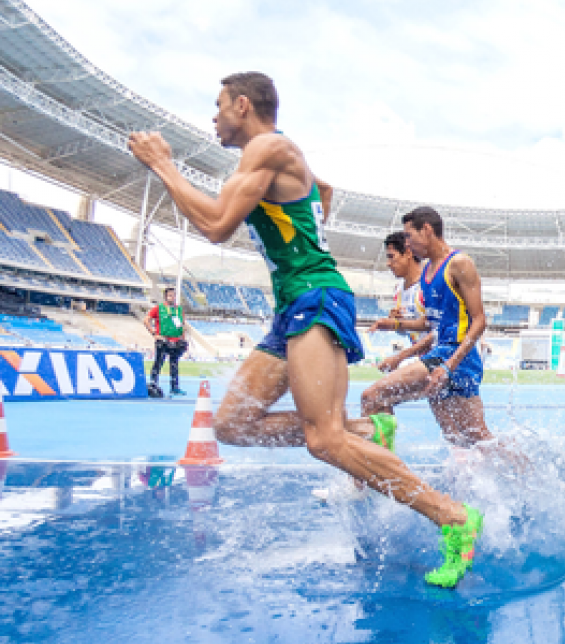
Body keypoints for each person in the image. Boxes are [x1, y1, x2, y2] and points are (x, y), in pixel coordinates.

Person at [126, 72, 481, 589]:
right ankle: (367, 430)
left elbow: (217, 224)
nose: (214, 117)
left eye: (219, 106)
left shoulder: (268, 146)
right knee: (233, 424)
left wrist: (162, 164)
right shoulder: (279, 157)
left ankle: (454, 517)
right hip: (293, 303)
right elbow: (323, 190)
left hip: (314, 298)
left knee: (323, 440)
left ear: (243, 105)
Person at [362, 207, 494, 455]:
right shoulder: (428, 273)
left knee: (373, 396)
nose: (408, 244)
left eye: (409, 236)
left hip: (455, 355)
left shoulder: (459, 263)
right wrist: (396, 324)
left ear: (427, 230)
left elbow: (479, 320)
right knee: (467, 437)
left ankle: (379, 476)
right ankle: (527, 471)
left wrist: (448, 366)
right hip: (443, 355)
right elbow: (429, 324)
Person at [370, 231, 434, 372]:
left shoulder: (429, 285)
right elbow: (407, 331)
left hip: (442, 359)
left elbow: (439, 330)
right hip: (422, 358)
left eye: (392, 257)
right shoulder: (398, 291)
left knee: (374, 393)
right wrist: (397, 325)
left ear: (408, 253)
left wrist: (400, 357)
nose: (388, 264)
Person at [146, 286, 188, 397]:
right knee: (158, 363)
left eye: (174, 295)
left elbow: (182, 326)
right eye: (170, 295)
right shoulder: (158, 308)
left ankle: (174, 387)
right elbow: (146, 320)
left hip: (176, 341)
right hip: (163, 340)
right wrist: (154, 333)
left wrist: (183, 339)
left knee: (174, 365)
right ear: (165, 296)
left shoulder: (179, 309)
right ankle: (153, 384)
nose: (172, 297)